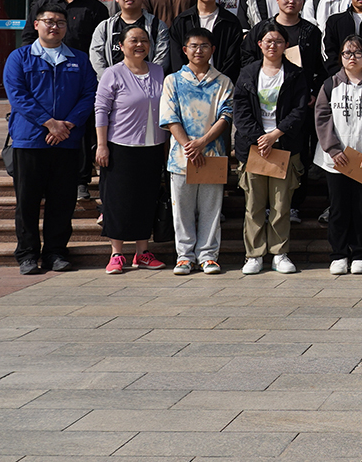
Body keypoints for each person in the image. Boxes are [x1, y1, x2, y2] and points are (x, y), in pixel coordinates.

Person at [4, 6, 98, 275]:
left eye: (60, 22)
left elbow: (89, 94)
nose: (54, 26)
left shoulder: (79, 59)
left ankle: (56, 252)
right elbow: (17, 95)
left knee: (62, 201)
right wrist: (49, 123)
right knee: (27, 202)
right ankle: (27, 254)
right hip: (30, 140)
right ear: (36, 25)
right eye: (49, 21)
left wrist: (68, 124)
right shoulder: (20, 57)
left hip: (67, 140)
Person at [23, 0, 108, 203]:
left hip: (80, 76)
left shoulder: (96, 9)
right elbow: (28, 38)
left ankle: (81, 181)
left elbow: (99, 45)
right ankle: (42, 180)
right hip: (44, 75)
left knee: (80, 128)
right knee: (45, 120)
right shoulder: (43, 5)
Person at [234, 21, 309, 276]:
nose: (273, 46)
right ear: (259, 44)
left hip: (283, 146)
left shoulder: (295, 74)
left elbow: (299, 110)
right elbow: (241, 110)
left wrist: (275, 134)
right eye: (268, 41)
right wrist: (260, 138)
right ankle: (254, 254)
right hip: (254, 147)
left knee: (280, 204)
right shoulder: (248, 73)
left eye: (278, 41)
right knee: (254, 204)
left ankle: (279, 253)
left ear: (286, 45)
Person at [314, 34, 362, 275]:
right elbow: (322, 117)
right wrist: (333, 149)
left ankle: (359, 254)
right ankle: (338, 254)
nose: (352, 58)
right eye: (347, 53)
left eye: (358, 53)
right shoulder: (330, 85)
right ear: (341, 57)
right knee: (338, 208)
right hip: (337, 160)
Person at [159, 30, 233, 276]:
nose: (198, 50)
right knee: (182, 210)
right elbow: (170, 117)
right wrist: (189, 147)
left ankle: (208, 256)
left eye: (204, 46)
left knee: (211, 208)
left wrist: (202, 142)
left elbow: (225, 116)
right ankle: (184, 256)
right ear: (185, 50)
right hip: (181, 157)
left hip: (213, 154)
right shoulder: (173, 81)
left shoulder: (223, 81)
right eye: (193, 46)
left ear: (213, 49)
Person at [94, 26, 167, 275]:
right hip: (120, 146)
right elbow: (101, 109)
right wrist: (102, 145)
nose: (139, 45)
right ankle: (116, 253)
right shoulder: (113, 73)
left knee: (146, 199)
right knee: (119, 201)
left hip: (153, 147)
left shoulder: (158, 71)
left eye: (144, 40)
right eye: (133, 40)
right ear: (121, 46)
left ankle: (142, 253)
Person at [168, 0, 244, 82]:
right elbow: (176, 56)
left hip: (221, 84)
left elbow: (233, 59)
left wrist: (219, 81)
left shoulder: (230, 22)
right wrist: (187, 81)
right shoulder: (182, 21)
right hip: (187, 83)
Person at [89, 0, 172, 76]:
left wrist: (146, 80)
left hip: (147, 82)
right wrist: (110, 79)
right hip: (114, 83)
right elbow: (96, 58)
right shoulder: (105, 27)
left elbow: (162, 59)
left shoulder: (157, 26)